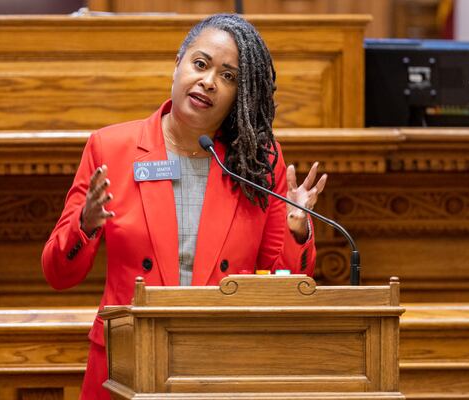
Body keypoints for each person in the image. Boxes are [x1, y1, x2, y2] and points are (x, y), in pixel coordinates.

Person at [42, 14, 327, 400]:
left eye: (228, 77)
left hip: (219, 364)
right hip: (127, 363)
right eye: (200, 64)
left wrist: (298, 228)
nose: (209, 81)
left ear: (239, 95)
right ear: (177, 65)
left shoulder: (258, 162)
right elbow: (59, 273)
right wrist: (86, 225)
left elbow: (284, 283)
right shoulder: (111, 148)